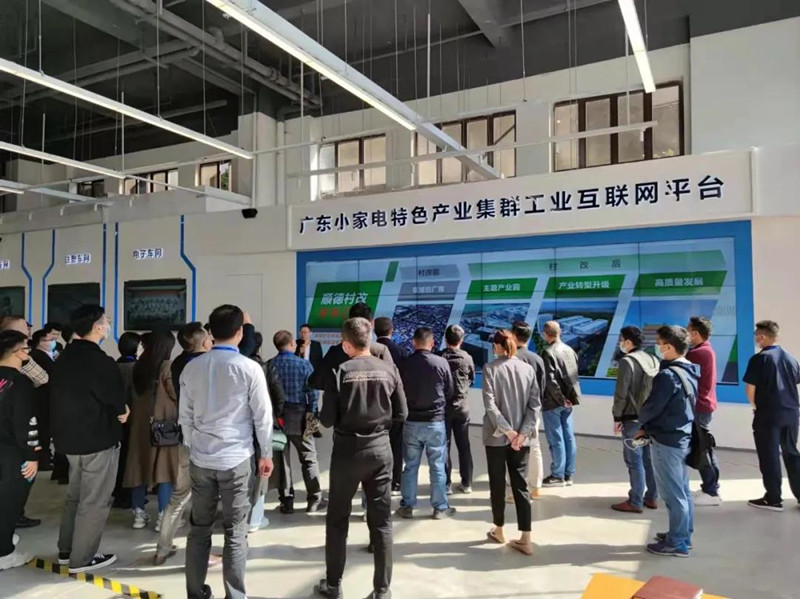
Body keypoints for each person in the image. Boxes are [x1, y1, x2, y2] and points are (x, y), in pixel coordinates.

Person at [179, 305, 273, 599]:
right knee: (236, 532)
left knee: (199, 529)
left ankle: (195, 593)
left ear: (211, 332)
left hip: (201, 459)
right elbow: (262, 417)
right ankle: (235, 595)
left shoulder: (192, 367)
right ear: (240, 332)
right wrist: (266, 453)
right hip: (236, 459)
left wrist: (193, 447)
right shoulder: (249, 368)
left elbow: (185, 417)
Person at [315, 317, 407, 599]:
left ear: (346, 344)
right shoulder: (389, 369)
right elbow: (402, 413)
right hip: (380, 451)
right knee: (382, 523)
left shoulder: (340, 372)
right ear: (370, 340)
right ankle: (382, 590)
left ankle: (333, 585)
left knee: (337, 520)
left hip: (346, 452)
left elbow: (327, 420)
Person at [51, 305, 129, 573]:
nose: (108, 325)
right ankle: (82, 558)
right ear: (97, 327)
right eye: (106, 321)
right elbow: (114, 400)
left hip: (69, 440)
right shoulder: (100, 361)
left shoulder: (63, 358)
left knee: (75, 496)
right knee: (94, 500)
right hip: (98, 439)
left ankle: (66, 549)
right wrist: (123, 411)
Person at [154, 323, 215, 566]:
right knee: (205, 499)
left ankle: (162, 548)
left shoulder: (177, 363)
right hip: (207, 439)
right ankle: (202, 555)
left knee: (178, 496)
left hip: (184, 437)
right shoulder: (207, 364)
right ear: (204, 341)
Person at [639, 325, 698, 558]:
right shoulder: (690, 370)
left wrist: (640, 422)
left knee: (673, 494)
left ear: (669, 347)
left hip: (666, 440)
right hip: (681, 437)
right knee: (682, 490)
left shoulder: (667, 376)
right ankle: (683, 534)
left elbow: (653, 407)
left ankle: (677, 543)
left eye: (660, 343)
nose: (657, 347)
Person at [483, 330, 540, 556]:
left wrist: (507, 431)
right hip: (521, 441)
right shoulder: (528, 370)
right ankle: (526, 538)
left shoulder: (490, 369)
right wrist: (522, 434)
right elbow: (534, 406)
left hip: (497, 437)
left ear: (498, 347)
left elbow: (490, 405)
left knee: (497, 484)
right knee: (521, 485)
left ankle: (499, 530)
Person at [396, 327, 455, 519]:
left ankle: (407, 506)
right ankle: (440, 507)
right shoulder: (441, 362)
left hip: (411, 422)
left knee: (410, 466)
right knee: (437, 466)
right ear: (432, 343)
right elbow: (450, 390)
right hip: (435, 422)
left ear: (413, 342)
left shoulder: (405, 364)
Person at [123, 330, 179, 531]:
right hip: (163, 427)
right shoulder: (167, 367)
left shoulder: (139, 366)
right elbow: (175, 394)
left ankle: (138, 514)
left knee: (139, 468)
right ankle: (162, 516)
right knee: (164, 470)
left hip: (139, 426)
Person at [744, 320, 800, 512]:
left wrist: (756, 407)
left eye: (756, 336)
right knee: (792, 453)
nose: (755, 340)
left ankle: (773, 498)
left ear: (762, 336)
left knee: (769, 455)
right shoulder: (791, 358)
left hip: (768, 414)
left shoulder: (759, 359)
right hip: (791, 413)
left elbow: (750, 389)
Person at [268, 330, 324, 514]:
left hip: (277, 419)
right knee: (309, 458)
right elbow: (313, 393)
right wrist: (311, 415)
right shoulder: (304, 364)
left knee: (282, 461)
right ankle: (314, 499)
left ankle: (287, 502)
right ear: (291, 344)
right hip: (300, 416)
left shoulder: (269, 365)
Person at [0, 330, 40, 570]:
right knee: (9, 502)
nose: (28, 352)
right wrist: (32, 455)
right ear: (18, 352)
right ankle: (4, 553)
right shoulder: (20, 382)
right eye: (26, 348)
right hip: (12, 452)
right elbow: (25, 422)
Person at [611, 326, 660, 513]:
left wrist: (617, 416)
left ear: (629, 342)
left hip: (632, 419)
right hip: (649, 418)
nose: (621, 343)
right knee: (648, 458)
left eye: (622, 339)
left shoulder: (627, 361)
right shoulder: (652, 359)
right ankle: (652, 497)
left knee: (634, 460)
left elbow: (621, 393)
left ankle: (635, 501)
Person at [309, 303, 394, 391]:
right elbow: (393, 382)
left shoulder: (336, 352)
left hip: (343, 399)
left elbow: (316, 381)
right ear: (372, 324)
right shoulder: (380, 351)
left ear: (349, 323)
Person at [248, 351, 288, 533]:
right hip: (262, 424)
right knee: (262, 469)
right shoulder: (266, 367)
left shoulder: (231, 366)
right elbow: (279, 395)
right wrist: (277, 415)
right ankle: (255, 518)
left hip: (239, 428)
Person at [540, 321, 581, 486]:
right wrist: (569, 399)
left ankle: (557, 475)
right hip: (569, 402)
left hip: (553, 402)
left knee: (556, 439)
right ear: (560, 332)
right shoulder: (570, 350)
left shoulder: (548, 352)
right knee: (569, 437)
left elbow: (550, 381)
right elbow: (574, 376)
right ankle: (568, 473)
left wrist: (561, 399)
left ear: (545, 334)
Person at [686, 316, 721, 506]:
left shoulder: (697, 354)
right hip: (704, 405)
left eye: (688, 331)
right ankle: (711, 486)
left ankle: (711, 491)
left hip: (699, 407)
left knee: (702, 450)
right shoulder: (707, 350)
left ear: (696, 333)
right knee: (705, 447)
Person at [510, 321, 545, 498]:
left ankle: (513, 491)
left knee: (513, 449)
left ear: (514, 336)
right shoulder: (537, 359)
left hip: (514, 412)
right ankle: (535, 487)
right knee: (534, 447)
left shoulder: (512, 359)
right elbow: (542, 387)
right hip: (533, 411)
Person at [375, 316, 409, 495]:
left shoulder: (369, 351)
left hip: (374, 407)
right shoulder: (401, 351)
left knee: (375, 445)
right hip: (395, 405)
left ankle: (377, 480)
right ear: (392, 331)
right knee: (396, 444)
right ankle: (396, 482)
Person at [440, 324, 475, 495]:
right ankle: (467, 483)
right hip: (462, 408)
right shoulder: (467, 358)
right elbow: (471, 379)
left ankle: (446, 484)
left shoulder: (439, 357)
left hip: (443, 408)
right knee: (464, 446)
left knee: (444, 446)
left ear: (445, 339)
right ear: (462, 340)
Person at [112, 332, 141, 509]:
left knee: (119, 458)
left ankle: (118, 493)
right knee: (131, 459)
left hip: (116, 419)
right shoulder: (137, 368)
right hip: (134, 419)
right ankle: (129, 495)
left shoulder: (113, 366)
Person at [29, 329, 56, 472]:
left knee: (45, 430)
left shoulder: (47, 355)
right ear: (41, 342)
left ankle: (45, 457)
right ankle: (43, 460)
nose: (53, 342)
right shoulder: (37, 356)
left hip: (45, 398)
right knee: (43, 430)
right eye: (50, 340)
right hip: (41, 398)